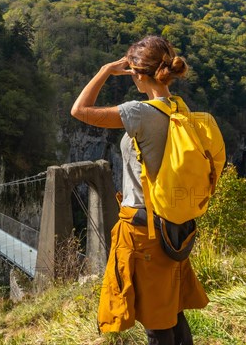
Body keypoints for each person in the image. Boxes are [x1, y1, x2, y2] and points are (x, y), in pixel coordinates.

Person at [71, 36, 208, 345]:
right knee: (171, 309)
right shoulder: (179, 109)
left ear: (138, 72)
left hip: (144, 230)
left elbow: (79, 110)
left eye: (132, 70)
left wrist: (106, 70)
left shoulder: (139, 112)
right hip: (175, 223)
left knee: (155, 321)